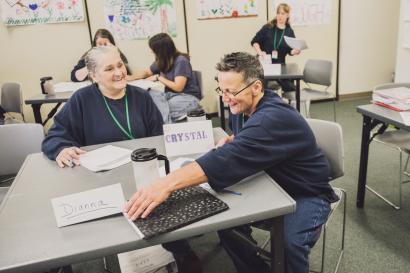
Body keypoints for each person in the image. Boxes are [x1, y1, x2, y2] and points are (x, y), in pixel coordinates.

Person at [124, 52, 338, 273]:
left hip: (306, 193)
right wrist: (239, 139)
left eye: (232, 91)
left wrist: (164, 184)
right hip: (269, 182)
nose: (226, 98)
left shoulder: (273, 117)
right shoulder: (246, 105)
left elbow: (224, 159)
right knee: (227, 224)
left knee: (289, 245)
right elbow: (253, 137)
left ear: (256, 87)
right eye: (222, 90)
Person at [43, 45, 201, 273]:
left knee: (164, 213)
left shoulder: (141, 97)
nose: (119, 72)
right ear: (94, 75)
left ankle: (178, 252)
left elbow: (159, 137)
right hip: (102, 183)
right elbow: (55, 135)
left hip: (144, 177)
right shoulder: (82, 100)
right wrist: (61, 149)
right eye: (109, 69)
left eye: (120, 65)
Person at [128, 33, 201, 123]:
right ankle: (168, 122)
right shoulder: (162, 60)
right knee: (151, 98)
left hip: (188, 97)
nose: (151, 51)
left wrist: (159, 77)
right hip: (171, 96)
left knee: (159, 109)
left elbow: (178, 87)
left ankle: (165, 128)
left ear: (160, 50)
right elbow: (147, 72)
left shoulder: (181, 61)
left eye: (153, 49)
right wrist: (130, 77)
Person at [251, 3, 300, 92]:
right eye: (278, 13)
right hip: (265, 65)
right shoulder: (268, 27)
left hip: (280, 65)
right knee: (262, 88)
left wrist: (295, 51)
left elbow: (290, 50)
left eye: (282, 14)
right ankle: (263, 104)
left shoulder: (289, 31)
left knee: (291, 88)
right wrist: (259, 52)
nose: (280, 16)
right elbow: (255, 41)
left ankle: (288, 104)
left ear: (288, 15)